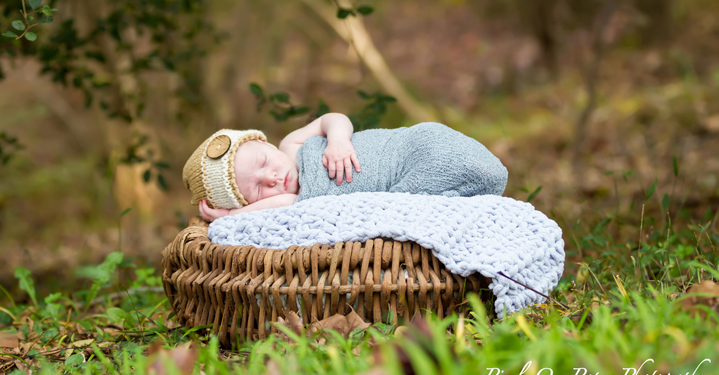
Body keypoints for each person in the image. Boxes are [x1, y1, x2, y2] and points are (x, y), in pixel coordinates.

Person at [182, 113, 508, 223]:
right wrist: (228, 218)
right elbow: (277, 208)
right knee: (412, 206)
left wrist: (338, 140)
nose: (272, 177)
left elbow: (332, 119)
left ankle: (471, 172)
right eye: (256, 189)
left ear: (266, 144)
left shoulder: (290, 146)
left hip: (409, 148)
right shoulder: (293, 200)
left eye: (264, 162)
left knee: (434, 156)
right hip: (400, 183)